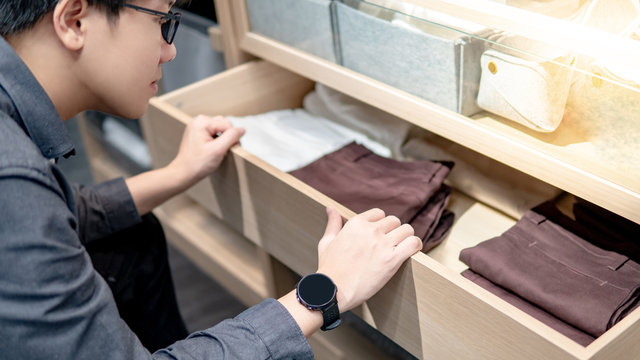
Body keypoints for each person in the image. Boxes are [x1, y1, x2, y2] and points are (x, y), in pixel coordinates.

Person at [0, 0, 423, 358]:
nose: (170, 52)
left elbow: (60, 212)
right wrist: (324, 291)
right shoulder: (11, 177)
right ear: (74, 20)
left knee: (131, 239)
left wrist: (178, 174)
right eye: (162, 20)